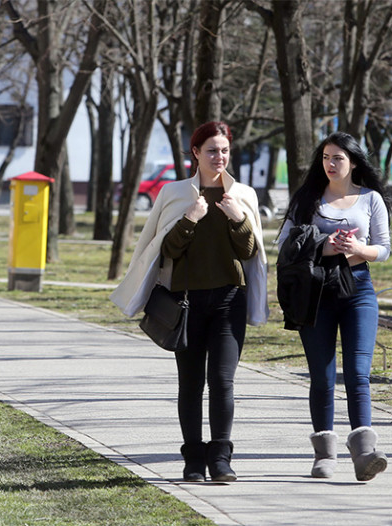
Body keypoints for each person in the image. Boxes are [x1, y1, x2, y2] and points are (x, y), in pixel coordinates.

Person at [111, 121, 269, 483]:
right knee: (191, 382)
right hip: (186, 302)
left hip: (230, 300)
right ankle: (194, 459)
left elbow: (248, 251)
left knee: (223, 380)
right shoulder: (175, 193)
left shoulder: (242, 194)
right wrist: (190, 219)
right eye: (212, 150)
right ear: (195, 153)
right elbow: (165, 248)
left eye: (225, 150)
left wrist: (238, 218)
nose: (219, 157)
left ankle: (222, 457)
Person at [277, 132, 392, 482]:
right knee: (322, 377)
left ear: (353, 162)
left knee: (358, 373)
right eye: (326, 157)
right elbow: (284, 245)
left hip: (358, 289)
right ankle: (324, 455)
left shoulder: (370, 199)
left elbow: (384, 249)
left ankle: (364, 453)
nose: (330, 163)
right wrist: (323, 247)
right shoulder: (307, 199)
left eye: (338, 158)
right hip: (316, 293)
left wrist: (358, 247)